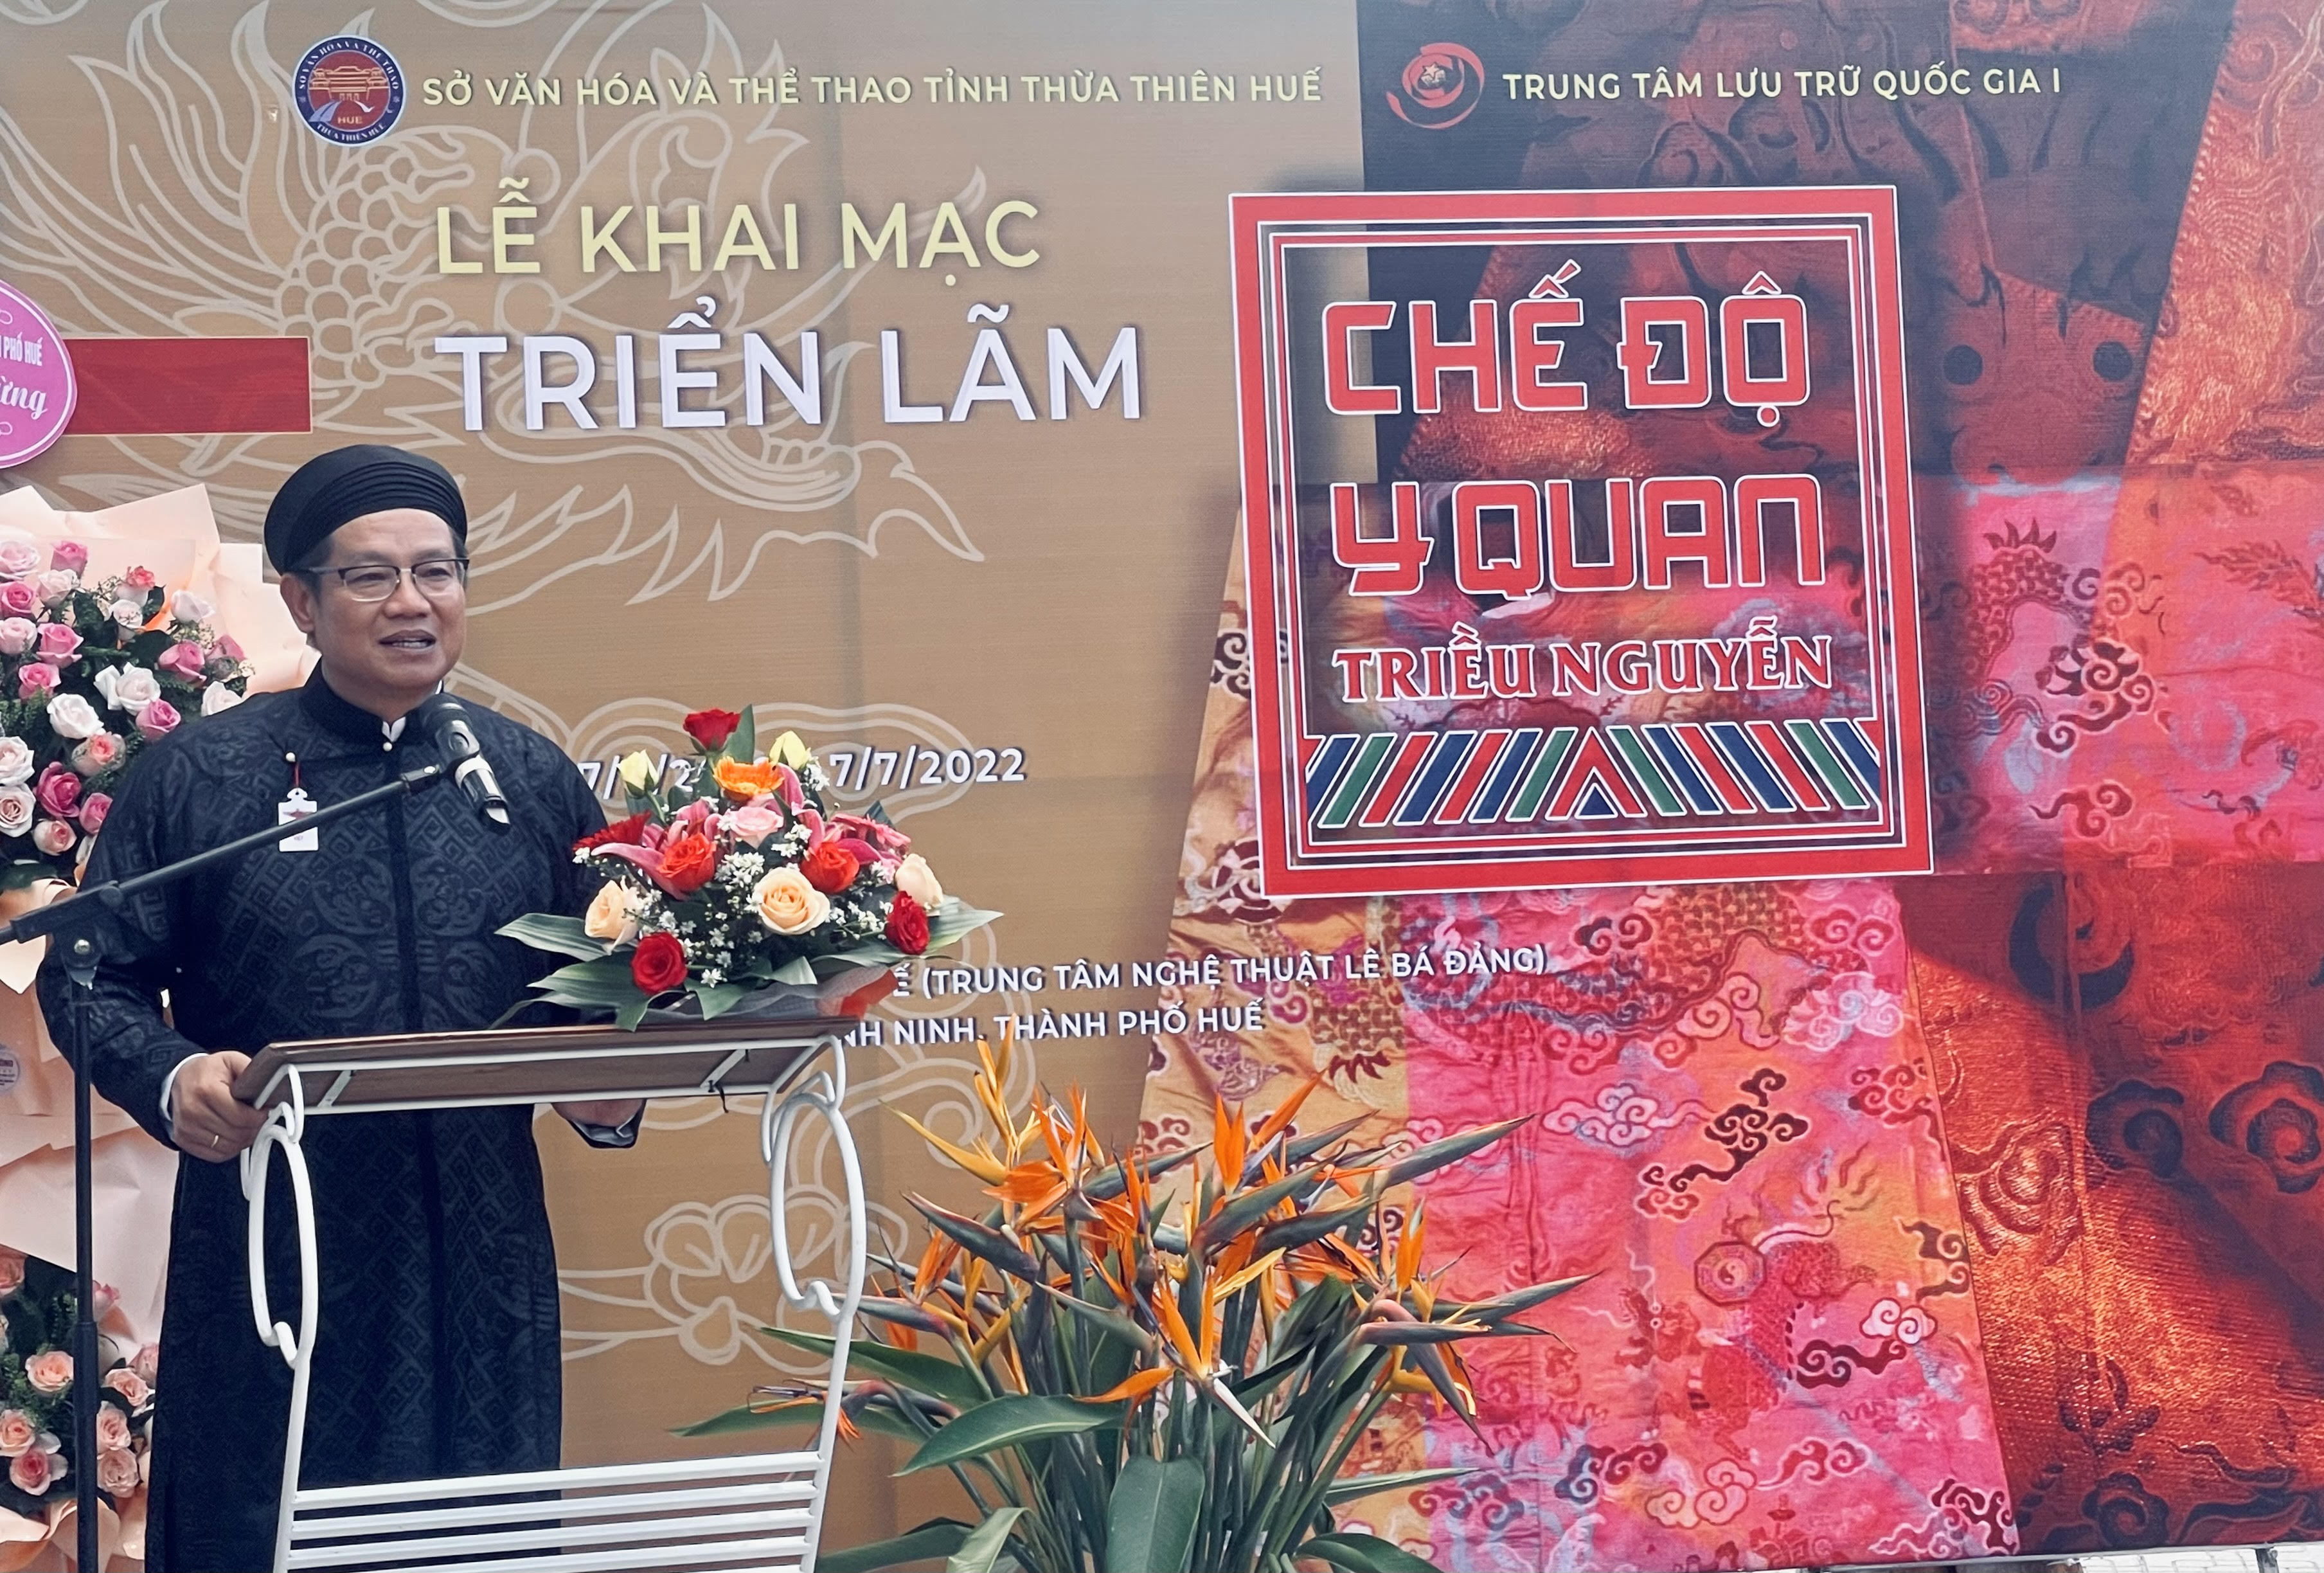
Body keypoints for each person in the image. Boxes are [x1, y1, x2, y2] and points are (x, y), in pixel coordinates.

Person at [37, 444, 642, 1572]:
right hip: (276, 1247)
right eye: (371, 577)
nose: (413, 602)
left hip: (484, 1255)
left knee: (479, 1540)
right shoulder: (205, 778)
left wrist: (609, 1088)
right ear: (302, 603)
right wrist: (174, 1075)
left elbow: (600, 992)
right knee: (264, 1527)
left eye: (437, 572)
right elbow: (89, 973)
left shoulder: (529, 780)